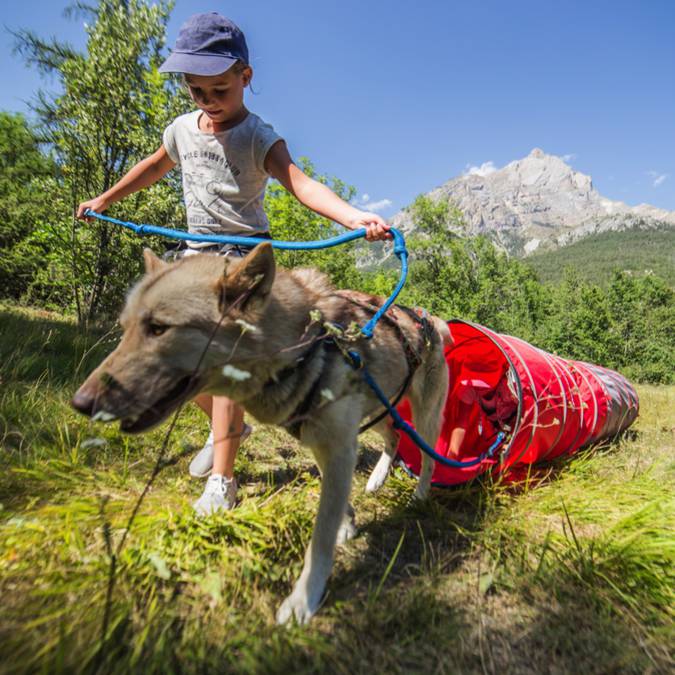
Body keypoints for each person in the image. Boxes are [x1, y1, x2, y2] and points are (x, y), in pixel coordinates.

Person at [76, 12, 390, 515]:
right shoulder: (181, 129)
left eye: (219, 89)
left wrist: (356, 216)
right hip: (193, 258)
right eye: (196, 91)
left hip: (241, 268)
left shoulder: (257, 136)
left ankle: (223, 477)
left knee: (222, 359)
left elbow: (300, 183)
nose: (207, 102)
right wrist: (104, 199)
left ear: (245, 76)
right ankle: (227, 429)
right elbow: (154, 166)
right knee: (183, 362)